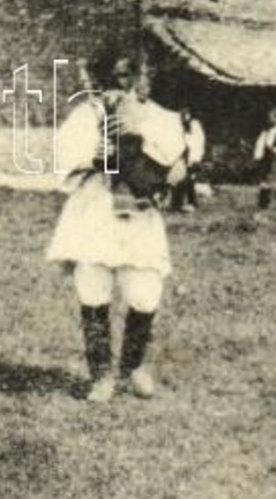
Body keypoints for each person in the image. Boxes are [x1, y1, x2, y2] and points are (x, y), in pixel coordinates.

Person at [45, 50, 186, 402]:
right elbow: (63, 157)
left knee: (144, 293)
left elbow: (177, 164)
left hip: (137, 215)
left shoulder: (159, 117)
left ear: (141, 79)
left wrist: (139, 138)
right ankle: (102, 375)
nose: (120, 87)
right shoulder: (87, 115)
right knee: (93, 288)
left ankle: (132, 366)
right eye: (112, 78)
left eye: (128, 77)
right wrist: (98, 152)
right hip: (95, 210)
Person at [168, 107, 206, 212]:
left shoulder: (195, 126)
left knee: (189, 181)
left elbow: (199, 142)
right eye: (183, 116)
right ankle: (176, 204)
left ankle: (191, 202)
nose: (185, 118)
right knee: (177, 181)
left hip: (192, 156)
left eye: (187, 115)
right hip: (180, 156)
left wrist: (196, 159)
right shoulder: (177, 127)